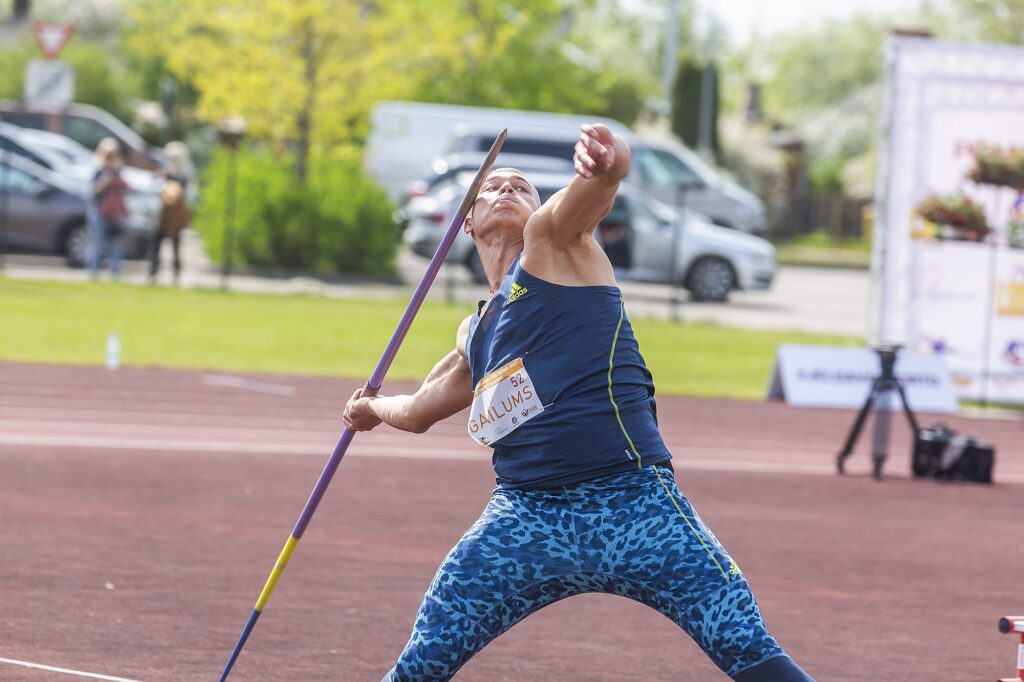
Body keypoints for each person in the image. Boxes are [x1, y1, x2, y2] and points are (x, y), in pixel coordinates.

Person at [343, 124, 813, 681]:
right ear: (466, 221)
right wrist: (371, 409)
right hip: (525, 518)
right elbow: (420, 410)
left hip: (634, 504)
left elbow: (602, 184)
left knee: (747, 649)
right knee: (423, 659)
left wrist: (609, 161)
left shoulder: (555, 242)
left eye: (522, 186)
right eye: (492, 187)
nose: (508, 189)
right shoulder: (475, 333)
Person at [148, 141, 194, 285]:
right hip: (165, 214)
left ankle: (174, 273)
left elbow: (184, 195)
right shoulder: (168, 172)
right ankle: (155, 270)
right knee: (159, 242)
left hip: (175, 215)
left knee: (175, 244)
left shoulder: (182, 175)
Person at [89, 138, 130, 280]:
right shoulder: (99, 171)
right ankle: (94, 273)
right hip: (99, 211)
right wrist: (104, 182)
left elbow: (126, 190)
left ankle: (114, 273)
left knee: (115, 244)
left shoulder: (118, 171)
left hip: (115, 214)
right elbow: (93, 192)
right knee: (97, 244)